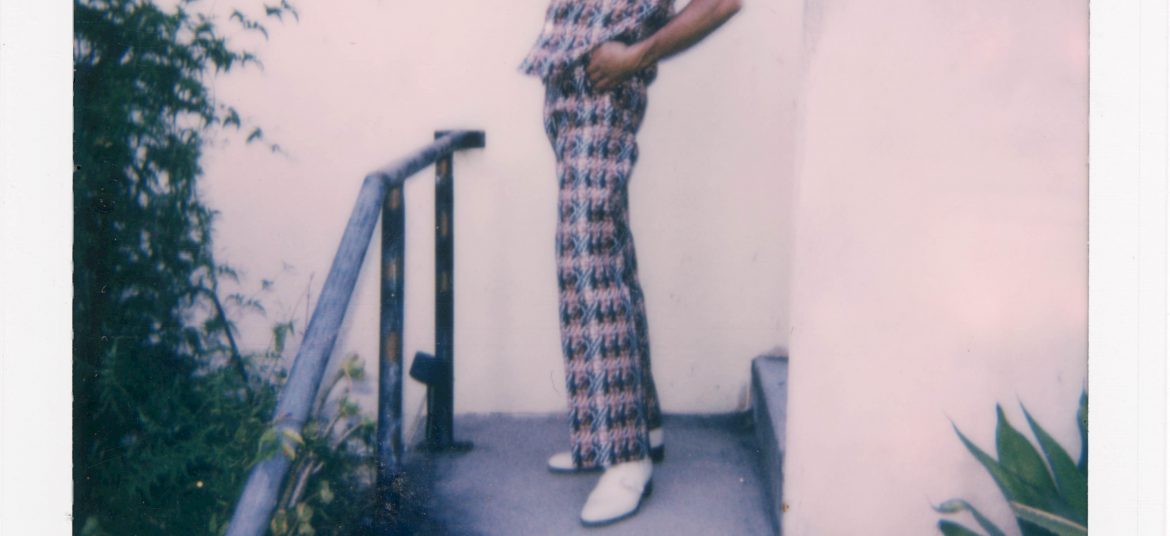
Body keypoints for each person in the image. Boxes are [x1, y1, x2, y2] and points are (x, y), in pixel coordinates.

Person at [520, 0, 742, 527]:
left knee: (588, 260)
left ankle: (624, 459)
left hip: (605, 91)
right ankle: (636, 426)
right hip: (570, 90)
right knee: (608, 254)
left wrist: (638, 54)